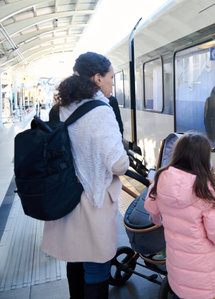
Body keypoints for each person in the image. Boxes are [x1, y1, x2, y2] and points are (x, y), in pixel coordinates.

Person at [40, 52, 129, 299]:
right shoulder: (101, 110)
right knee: (96, 269)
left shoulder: (60, 109)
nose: (113, 83)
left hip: (66, 199)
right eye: (111, 77)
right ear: (98, 78)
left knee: (74, 261)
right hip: (93, 202)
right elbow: (119, 164)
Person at [144, 132, 215, 299]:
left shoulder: (161, 178)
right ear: (204, 159)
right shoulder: (204, 189)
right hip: (203, 273)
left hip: (177, 267)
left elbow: (151, 207)